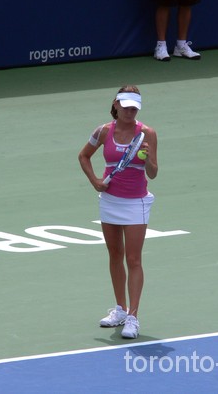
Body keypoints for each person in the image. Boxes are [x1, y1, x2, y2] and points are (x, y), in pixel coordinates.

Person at [78, 85, 159, 339]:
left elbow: (153, 174)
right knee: (115, 255)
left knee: (133, 260)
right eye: (126, 107)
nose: (130, 111)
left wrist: (147, 159)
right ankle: (120, 310)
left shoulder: (147, 134)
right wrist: (95, 182)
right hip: (109, 201)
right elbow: (83, 156)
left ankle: (133, 318)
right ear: (115, 104)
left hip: (136, 203)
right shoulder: (103, 131)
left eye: (134, 107)